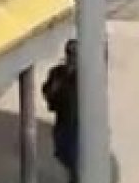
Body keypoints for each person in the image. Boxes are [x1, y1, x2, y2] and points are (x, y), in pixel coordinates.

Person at [43, 40, 80, 182]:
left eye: (75, 55)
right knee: (62, 153)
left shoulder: (84, 75)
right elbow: (47, 90)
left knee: (75, 156)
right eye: (70, 54)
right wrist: (53, 90)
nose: (72, 58)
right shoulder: (57, 72)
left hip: (78, 122)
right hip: (63, 119)